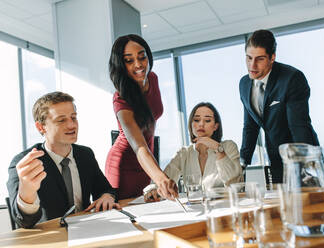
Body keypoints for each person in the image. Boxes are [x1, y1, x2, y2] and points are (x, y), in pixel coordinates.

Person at [7, 92, 120, 228]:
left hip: (89, 230)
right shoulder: (26, 163)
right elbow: (23, 221)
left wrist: (107, 196)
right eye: (61, 120)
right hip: (52, 238)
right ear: (41, 127)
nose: (72, 125)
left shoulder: (85, 154)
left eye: (73, 117)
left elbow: (104, 188)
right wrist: (27, 194)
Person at [239, 29, 319, 183]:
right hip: (275, 158)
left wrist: (305, 168)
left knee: (309, 204)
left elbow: (298, 126)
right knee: (282, 204)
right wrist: (243, 162)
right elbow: (250, 126)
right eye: (249, 58)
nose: (252, 65)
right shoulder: (244, 84)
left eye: (259, 59)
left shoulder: (291, 78)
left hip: (303, 156)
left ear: (272, 57)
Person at [105, 34, 178, 200]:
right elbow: (139, 146)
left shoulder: (153, 79)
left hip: (147, 162)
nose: (138, 64)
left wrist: (156, 174)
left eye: (142, 57)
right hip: (124, 167)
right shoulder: (121, 99)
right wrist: (160, 178)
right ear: (121, 65)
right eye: (129, 60)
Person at [143, 102, 242, 202]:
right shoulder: (184, 153)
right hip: (195, 210)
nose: (201, 124)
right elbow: (164, 181)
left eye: (207, 120)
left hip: (224, 208)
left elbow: (237, 187)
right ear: (191, 124)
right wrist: (152, 190)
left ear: (215, 126)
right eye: (196, 120)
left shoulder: (228, 147)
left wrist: (218, 149)